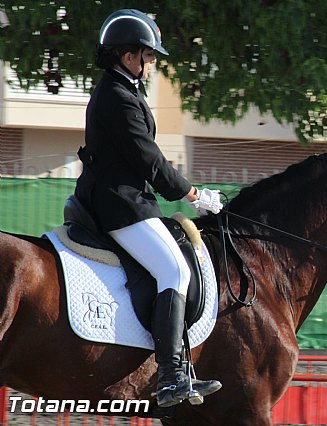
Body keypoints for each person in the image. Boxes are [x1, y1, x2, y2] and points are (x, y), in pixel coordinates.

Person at [74, 9, 222, 408]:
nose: (152, 63)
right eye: (149, 55)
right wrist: (194, 195)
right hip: (119, 204)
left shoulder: (123, 90)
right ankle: (171, 377)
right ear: (128, 56)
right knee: (173, 269)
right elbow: (149, 161)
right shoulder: (117, 97)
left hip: (127, 199)